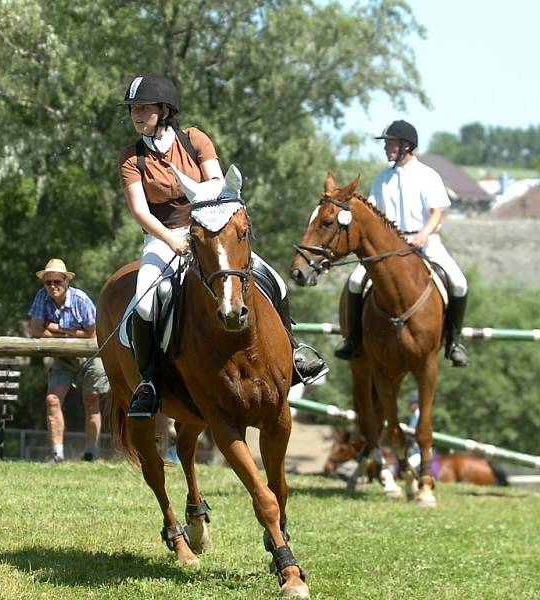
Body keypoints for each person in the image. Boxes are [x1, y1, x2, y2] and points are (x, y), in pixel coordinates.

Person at [117, 72, 326, 419]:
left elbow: (215, 183)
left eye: (144, 107)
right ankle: (150, 382)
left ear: (165, 110)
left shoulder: (195, 139)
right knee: (144, 302)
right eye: (133, 109)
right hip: (163, 238)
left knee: (273, 278)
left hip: (210, 232)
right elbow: (140, 210)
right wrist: (173, 240)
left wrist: (206, 230)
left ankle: (294, 351)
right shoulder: (132, 158)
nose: (137, 114)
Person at [334, 120, 470, 367]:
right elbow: (375, 216)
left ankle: (454, 342)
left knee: (459, 283)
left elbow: (437, 212)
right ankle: (353, 340)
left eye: (390, 143)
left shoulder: (428, 176)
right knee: (355, 282)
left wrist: (424, 235)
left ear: (406, 146)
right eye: (386, 143)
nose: (386, 148)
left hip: (425, 241)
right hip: (387, 248)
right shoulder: (382, 179)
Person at [28, 258, 109, 463]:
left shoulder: (81, 299)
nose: (53, 286)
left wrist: (55, 328)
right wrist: (71, 334)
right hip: (63, 357)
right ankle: (57, 454)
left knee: (91, 401)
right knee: (52, 400)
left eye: (57, 281)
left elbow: (91, 332)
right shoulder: (41, 297)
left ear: (66, 281)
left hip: (90, 355)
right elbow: (36, 330)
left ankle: (90, 454)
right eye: (49, 282)